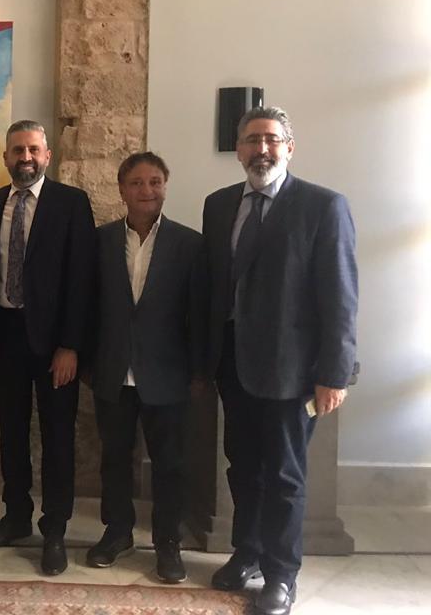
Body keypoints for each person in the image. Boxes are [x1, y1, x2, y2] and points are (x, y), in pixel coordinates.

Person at [203, 107, 358, 615]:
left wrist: (334, 373)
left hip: (293, 372)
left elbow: (340, 295)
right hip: (233, 365)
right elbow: (215, 288)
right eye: (252, 140)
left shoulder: (323, 206)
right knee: (242, 467)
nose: (261, 149)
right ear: (239, 150)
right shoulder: (218, 205)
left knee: (285, 477)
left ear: (289, 147)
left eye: (271, 139)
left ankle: (281, 575)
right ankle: (247, 552)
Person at [0, 120, 95, 576]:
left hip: (55, 344)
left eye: (33, 150)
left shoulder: (71, 203)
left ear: (47, 156)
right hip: (5, 336)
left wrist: (71, 345)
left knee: (58, 437)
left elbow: (81, 278)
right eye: (17, 150)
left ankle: (55, 529)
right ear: (5, 157)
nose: (25, 157)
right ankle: (16, 516)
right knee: (11, 433)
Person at [87, 151, 206, 583]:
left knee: (169, 463)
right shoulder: (99, 241)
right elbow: (87, 305)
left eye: (155, 182)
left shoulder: (189, 244)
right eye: (137, 183)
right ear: (122, 190)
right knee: (115, 458)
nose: (146, 190)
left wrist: (199, 371)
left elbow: (199, 314)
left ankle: (167, 543)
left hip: (168, 373)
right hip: (113, 370)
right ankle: (117, 532)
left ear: (165, 187)